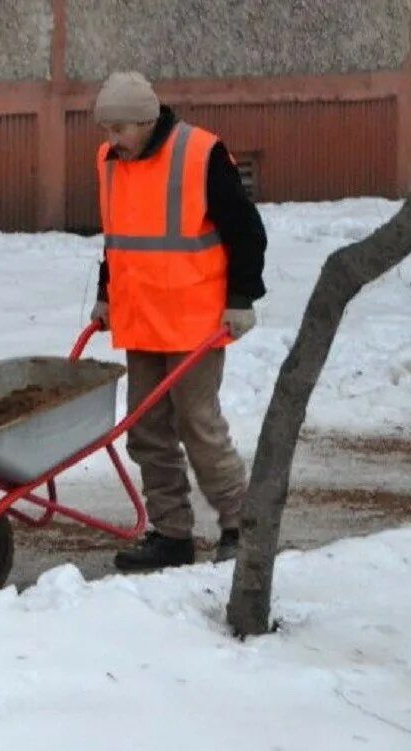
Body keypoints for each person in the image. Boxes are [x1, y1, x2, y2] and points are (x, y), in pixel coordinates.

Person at [88, 71, 266, 571]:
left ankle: (239, 525)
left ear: (146, 120)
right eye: (106, 130)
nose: (110, 141)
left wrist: (242, 297)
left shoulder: (200, 155)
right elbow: (119, 238)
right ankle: (171, 534)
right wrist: (106, 294)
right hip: (142, 319)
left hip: (195, 322)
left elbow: (246, 231)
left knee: (198, 424)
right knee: (147, 431)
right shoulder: (110, 162)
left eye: (118, 130)